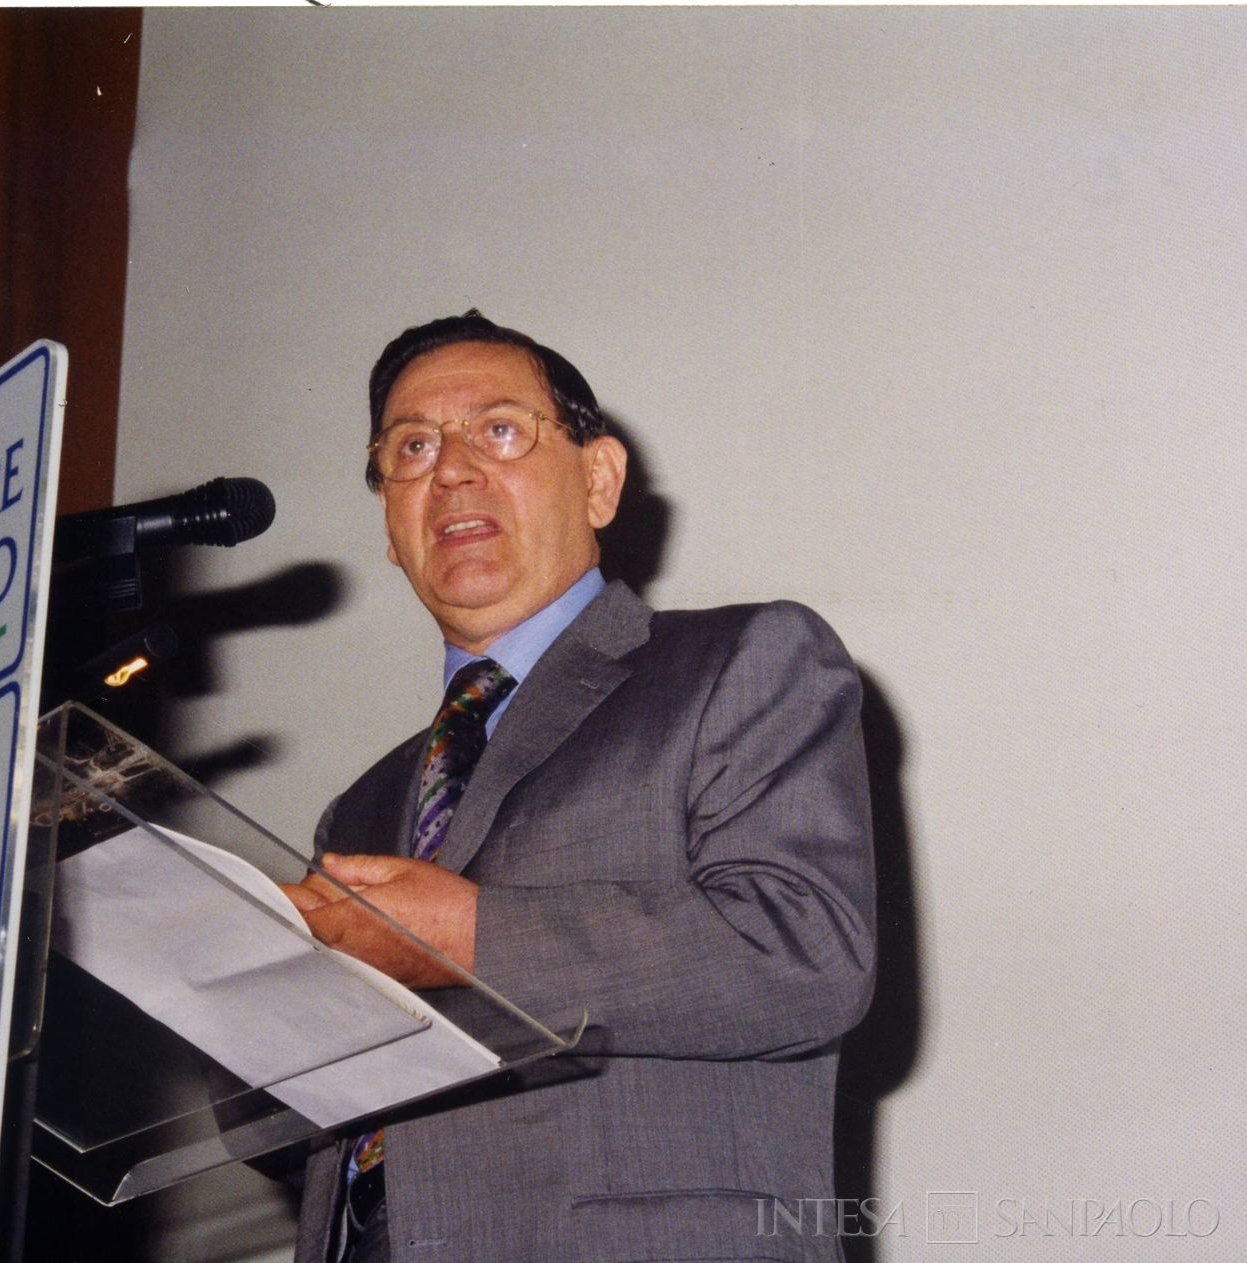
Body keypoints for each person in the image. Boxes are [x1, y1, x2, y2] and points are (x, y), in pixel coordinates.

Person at [281, 312, 877, 1263]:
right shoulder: (361, 806)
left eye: (501, 430)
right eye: (412, 446)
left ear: (598, 480)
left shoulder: (739, 663)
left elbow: (807, 954)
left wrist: (467, 939)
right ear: (390, 529)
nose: (453, 469)